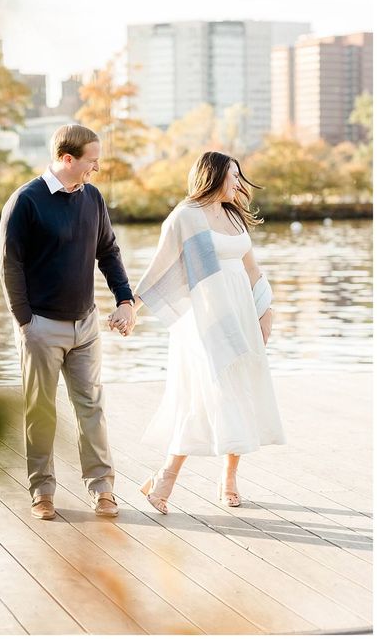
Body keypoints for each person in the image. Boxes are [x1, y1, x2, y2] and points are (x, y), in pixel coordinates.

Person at [110, 151, 286, 512]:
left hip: (242, 314)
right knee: (206, 397)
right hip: (203, 321)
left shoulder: (234, 215)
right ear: (213, 176)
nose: (238, 183)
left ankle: (228, 480)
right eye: (233, 176)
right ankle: (165, 477)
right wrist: (130, 306)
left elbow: (251, 268)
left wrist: (265, 311)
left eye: (239, 176)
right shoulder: (185, 217)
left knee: (240, 393)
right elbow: (159, 269)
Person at [0, 124, 136, 520]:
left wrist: (124, 299)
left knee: (92, 407)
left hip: (86, 325)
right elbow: (10, 266)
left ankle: (103, 489)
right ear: (68, 159)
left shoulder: (92, 198)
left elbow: (108, 252)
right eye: (91, 159)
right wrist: (26, 323)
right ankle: (42, 491)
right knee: (40, 410)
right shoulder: (25, 201)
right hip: (41, 326)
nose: (97, 166)